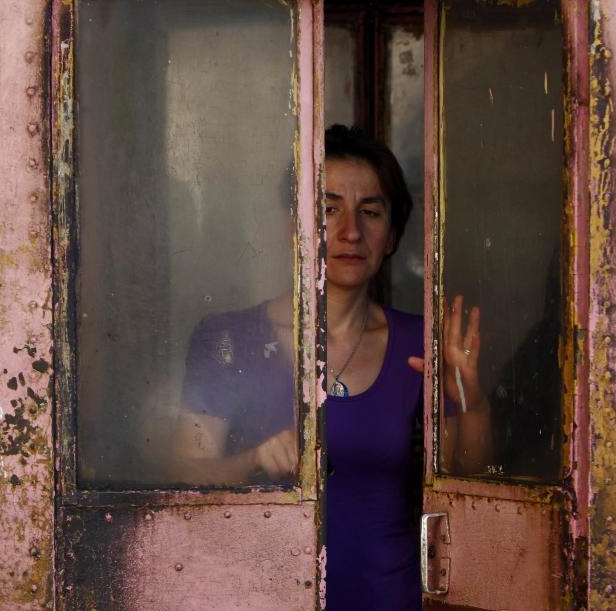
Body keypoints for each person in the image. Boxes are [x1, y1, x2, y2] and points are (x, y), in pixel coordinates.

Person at [171, 124, 492, 609]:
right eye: (327, 208)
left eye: (370, 212)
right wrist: (255, 462)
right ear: (292, 223)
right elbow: (183, 474)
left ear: (393, 236)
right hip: (259, 596)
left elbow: (468, 491)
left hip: (391, 597)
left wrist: (470, 395)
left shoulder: (420, 342)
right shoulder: (228, 340)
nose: (349, 231)